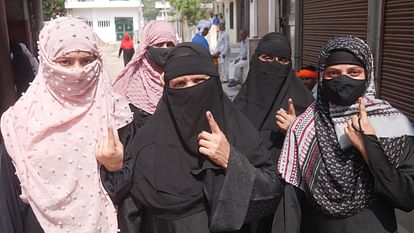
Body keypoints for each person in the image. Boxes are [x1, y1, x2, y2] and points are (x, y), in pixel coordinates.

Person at [102, 42, 284, 233]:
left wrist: (231, 160)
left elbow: (272, 192)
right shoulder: (147, 145)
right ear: (168, 90)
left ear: (213, 83)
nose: (190, 90)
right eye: (180, 84)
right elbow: (131, 217)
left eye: (199, 81)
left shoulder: (237, 132)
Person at [0, 16, 133, 232]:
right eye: (65, 61)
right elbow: (9, 205)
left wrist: (117, 167)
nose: (78, 70)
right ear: (46, 62)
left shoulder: (116, 115)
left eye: (87, 60)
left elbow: (134, 199)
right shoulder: (19, 123)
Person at [275, 36, 414, 233]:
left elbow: (406, 198)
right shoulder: (304, 128)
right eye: (333, 73)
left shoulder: (393, 124)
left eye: (354, 72)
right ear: (322, 77)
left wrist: (369, 146)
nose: (343, 80)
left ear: (368, 75)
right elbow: (291, 203)